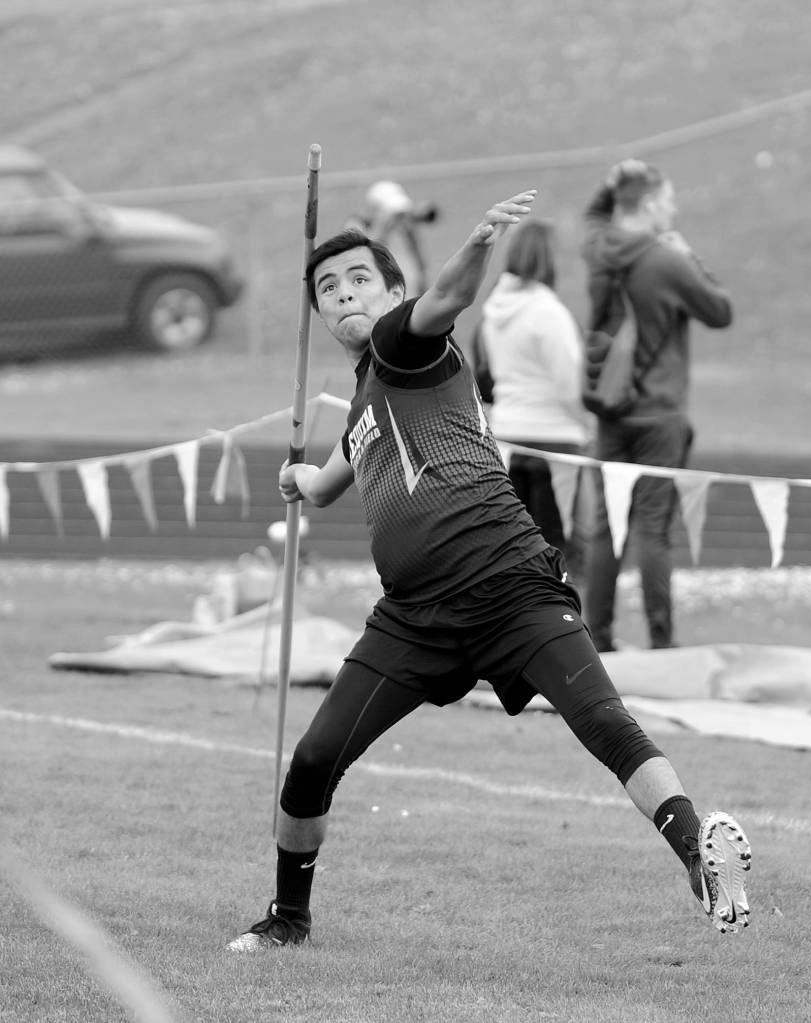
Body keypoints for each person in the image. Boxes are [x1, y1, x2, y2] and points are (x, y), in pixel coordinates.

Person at [227, 188, 751, 952]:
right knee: (311, 761)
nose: (343, 293)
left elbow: (445, 299)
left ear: (393, 290)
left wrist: (475, 245)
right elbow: (335, 474)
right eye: (327, 288)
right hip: (413, 617)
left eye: (359, 279)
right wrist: (300, 482)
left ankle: (702, 865)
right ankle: (287, 917)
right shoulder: (362, 403)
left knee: (604, 721)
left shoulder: (407, 348)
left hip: (510, 586)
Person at [579, 159, 733, 653]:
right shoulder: (667, 260)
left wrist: (612, 185)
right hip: (659, 411)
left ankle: (597, 638)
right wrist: (690, 256)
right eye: (667, 199)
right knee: (654, 530)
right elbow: (720, 311)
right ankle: (661, 645)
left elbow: (596, 214)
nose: (674, 208)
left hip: (608, 408)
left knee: (607, 529)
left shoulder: (599, 249)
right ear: (647, 205)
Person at [472, 217, 590, 556]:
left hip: (508, 436)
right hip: (555, 439)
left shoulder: (493, 312)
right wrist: (586, 424)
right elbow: (569, 383)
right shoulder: (549, 313)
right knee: (557, 546)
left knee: (516, 550)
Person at [344, 180, 438, 298]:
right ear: (374, 209)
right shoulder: (357, 226)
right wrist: (385, 227)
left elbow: (420, 264)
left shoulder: (404, 229)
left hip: (407, 300)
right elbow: (366, 253)